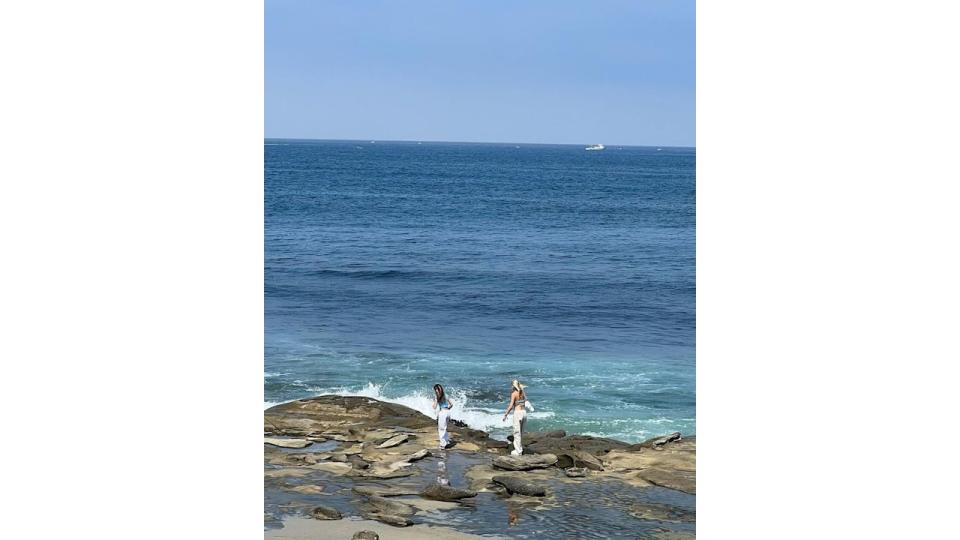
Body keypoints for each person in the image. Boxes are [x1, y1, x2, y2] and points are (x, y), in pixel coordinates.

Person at [502, 379, 527, 456]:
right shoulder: (522, 392)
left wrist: (505, 414)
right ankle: (520, 449)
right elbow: (525, 401)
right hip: (524, 413)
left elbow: (510, 406)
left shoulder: (514, 393)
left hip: (518, 413)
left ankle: (518, 451)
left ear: (513, 386)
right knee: (521, 432)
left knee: (516, 433)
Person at [432, 383, 453, 449]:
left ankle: (442, 445)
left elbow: (434, 407)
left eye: (435, 390)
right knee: (445, 428)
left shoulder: (437, 397)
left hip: (442, 413)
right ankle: (446, 441)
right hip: (448, 412)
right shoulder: (446, 395)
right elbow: (451, 404)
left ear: (436, 390)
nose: (435, 391)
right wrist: (447, 410)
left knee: (441, 429)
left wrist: (435, 401)